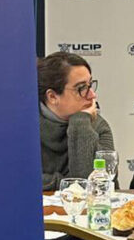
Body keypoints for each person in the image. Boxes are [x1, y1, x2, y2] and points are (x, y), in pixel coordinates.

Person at [38, 52, 114, 191]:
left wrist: (80, 123)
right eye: (81, 88)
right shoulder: (25, 128)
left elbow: (96, 188)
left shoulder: (98, 126)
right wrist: (66, 183)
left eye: (90, 85)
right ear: (53, 96)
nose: (92, 95)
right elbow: (18, 179)